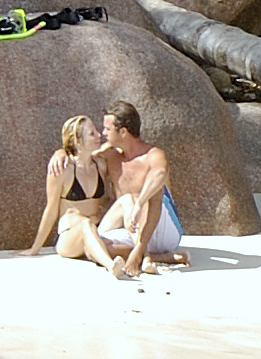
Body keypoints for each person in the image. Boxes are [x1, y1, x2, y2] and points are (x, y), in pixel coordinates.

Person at [55, 101, 184, 278]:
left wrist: (139, 203)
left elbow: (159, 174)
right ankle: (158, 257)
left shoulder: (153, 154)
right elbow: (80, 154)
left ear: (123, 131)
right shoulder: (110, 155)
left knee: (151, 191)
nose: (103, 133)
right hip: (131, 228)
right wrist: (61, 153)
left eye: (108, 129)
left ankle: (140, 251)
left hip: (162, 230)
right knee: (94, 247)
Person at [27, 115, 112, 253]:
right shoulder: (62, 170)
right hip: (71, 235)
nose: (99, 135)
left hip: (97, 229)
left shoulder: (100, 165)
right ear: (78, 141)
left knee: (128, 202)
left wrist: (60, 151)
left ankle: (147, 256)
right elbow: (51, 209)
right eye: (92, 134)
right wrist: (35, 248)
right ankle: (110, 265)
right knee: (86, 224)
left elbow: (117, 144)